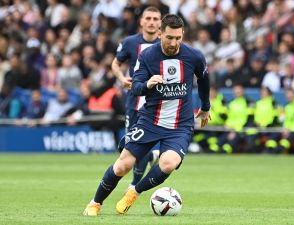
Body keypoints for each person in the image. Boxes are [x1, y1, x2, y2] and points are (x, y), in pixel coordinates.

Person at [83, 14, 210, 216]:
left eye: (178, 38)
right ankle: (95, 203)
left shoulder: (194, 56)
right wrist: (148, 85)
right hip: (150, 120)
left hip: (180, 124)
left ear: (183, 34)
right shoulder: (148, 56)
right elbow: (135, 88)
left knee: (168, 163)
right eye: (169, 37)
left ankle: (134, 191)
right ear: (160, 34)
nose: (174, 42)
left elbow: (204, 79)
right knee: (123, 165)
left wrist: (205, 106)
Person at [111, 6, 161, 189]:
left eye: (156, 19)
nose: (151, 22)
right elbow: (115, 64)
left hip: (157, 101)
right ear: (141, 21)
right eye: (148, 18)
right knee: (130, 143)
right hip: (135, 99)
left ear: (160, 23)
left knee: (141, 142)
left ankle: (134, 184)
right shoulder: (130, 42)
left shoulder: (166, 44)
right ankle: (150, 156)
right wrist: (122, 79)